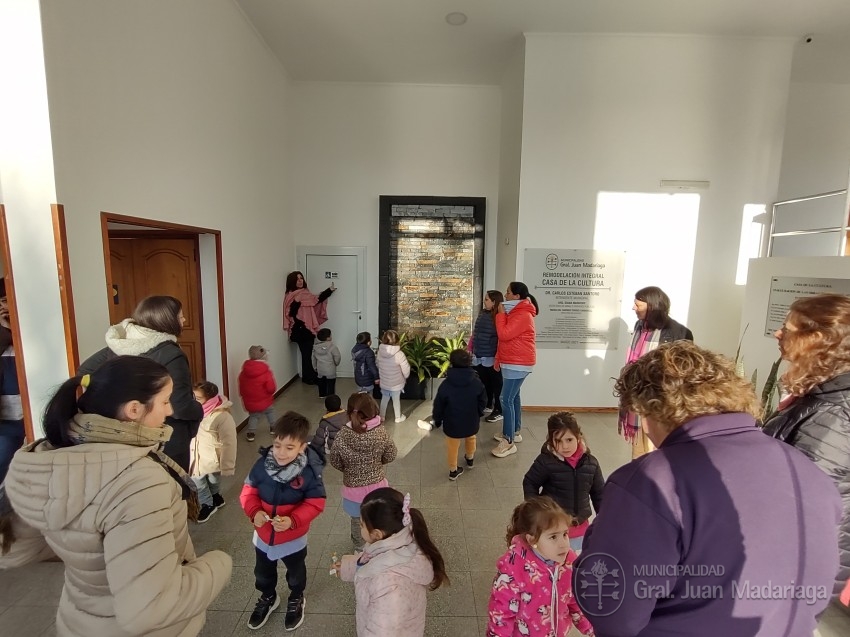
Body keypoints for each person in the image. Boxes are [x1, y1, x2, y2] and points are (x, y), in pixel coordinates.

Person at [578, 341, 840, 636]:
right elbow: (824, 582)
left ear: (651, 410)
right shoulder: (805, 469)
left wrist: (597, 538)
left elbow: (611, 608)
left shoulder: (652, 481)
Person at [3, 356, 232, 635]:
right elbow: (152, 607)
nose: (170, 410)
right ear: (134, 409)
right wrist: (219, 563)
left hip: (79, 621)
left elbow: (15, 549)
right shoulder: (138, 482)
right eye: (165, 401)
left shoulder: (50, 458)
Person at [763, 293, 850, 597]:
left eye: (787, 329)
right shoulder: (822, 395)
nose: (778, 333)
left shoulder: (833, 412)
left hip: (798, 569)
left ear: (816, 340)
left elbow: (809, 502)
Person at [78, 295, 202, 471]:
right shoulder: (170, 353)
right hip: (167, 437)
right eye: (180, 316)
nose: (184, 320)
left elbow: (85, 371)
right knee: (174, 483)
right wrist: (199, 410)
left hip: (128, 434)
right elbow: (180, 405)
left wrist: (117, 398)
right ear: (166, 320)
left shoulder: (122, 345)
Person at [240, 411, 326, 631]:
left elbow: (316, 503)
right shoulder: (261, 465)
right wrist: (254, 512)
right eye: (277, 445)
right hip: (263, 535)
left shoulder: (309, 473)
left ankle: (296, 597)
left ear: (302, 447)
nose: (281, 452)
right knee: (262, 572)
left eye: (289, 447)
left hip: (293, 537)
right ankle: (268, 596)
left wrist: (293, 520)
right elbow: (248, 491)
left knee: (295, 573)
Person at [335, 488, 449, 637]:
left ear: (376, 534)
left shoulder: (388, 586)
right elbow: (372, 559)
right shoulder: (403, 538)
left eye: (362, 525)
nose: (360, 527)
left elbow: (382, 632)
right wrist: (348, 567)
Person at [487, 496, 594, 637]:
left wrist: (594, 630)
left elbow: (575, 601)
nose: (563, 544)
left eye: (565, 534)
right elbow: (501, 617)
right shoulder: (513, 570)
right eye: (553, 537)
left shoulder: (569, 563)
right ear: (532, 540)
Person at [618, 285, 693, 458]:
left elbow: (684, 371)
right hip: (637, 397)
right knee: (639, 453)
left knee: (657, 451)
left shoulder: (679, 332)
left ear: (652, 306)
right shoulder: (640, 326)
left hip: (659, 400)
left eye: (638, 305)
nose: (633, 308)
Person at [522, 412, 603, 553]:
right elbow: (530, 482)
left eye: (569, 440)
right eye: (558, 441)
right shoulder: (545, 461)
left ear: (578, 437)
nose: (564, 446)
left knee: (576, 562)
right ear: (551, 440)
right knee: (554, 562)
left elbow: (599, 494)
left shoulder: (591, 463)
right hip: (553, 529)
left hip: (581, 530)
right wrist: (537, 512)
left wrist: (604, 520)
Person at [329, 393, 398, 551]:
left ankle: (359, 548)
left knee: (357, 521)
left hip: (353, 491)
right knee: (377, 519)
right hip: (377, 489)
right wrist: (377, 463)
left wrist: (348, 469)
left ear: (349, 412)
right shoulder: (381, 433)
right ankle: (378, 545)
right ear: (374, 410)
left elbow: (334, 460)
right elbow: (391, 454)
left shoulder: (342, 435)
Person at [492, 282, 538, 458]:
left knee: (505, 398)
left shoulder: (522, 314)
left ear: (517, 296)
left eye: (508, 292)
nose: (505, 295)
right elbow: (505, 340)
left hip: (517, 363)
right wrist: (498, 358)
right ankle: (514, 431)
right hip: (512, 361)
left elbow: (503, 334)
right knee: (514, 397)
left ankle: (508, 440)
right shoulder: (516, 312)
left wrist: (500, 315)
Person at [429, 349, 486, 480]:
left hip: (452, 422)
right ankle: (470, 458)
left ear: (451, 363)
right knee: (471, 438)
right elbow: (483, 400)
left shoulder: (446, 385)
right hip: (471, 420)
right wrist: (478, 412)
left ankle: (453, 470)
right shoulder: (476, 382)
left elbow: (439, 405)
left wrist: (437, 419)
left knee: (452, 445)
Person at [191, 381, 237, 524]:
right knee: (197, 479)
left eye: (198, 398)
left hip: (213, 458)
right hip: (197, 455)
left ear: (210, 398)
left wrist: (227, 466)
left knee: (213, 479)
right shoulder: (195, 411)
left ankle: (215, 496)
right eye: (193, 397)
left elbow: (229, 442)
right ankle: (208, 503)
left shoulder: (222, 416)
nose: (194, 401)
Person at [283, 271, 335, 385]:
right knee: (306, 354)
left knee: (307, 354)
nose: (300, 281)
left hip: (307, 328)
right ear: (292, 281)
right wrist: (297, 301)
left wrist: (329, 290)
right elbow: (290, 313)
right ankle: (309, 377)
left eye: (301, 278)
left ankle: (309, 376)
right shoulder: (291, 295)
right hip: (299, 329)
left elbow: (316, 300)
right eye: (297, 279)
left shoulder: (305, 293)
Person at [0, 281, 24, 484]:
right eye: (2, 301)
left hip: (26, 411)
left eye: (8, 300)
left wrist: (14, 328)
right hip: (5, 416)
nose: (6, 306)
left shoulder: (26, 325)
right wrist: (6, 330)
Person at [471, 290, 504, 424]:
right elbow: (476, 333)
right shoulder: (483, 314)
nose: (484, 301)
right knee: (485, 383)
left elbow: (501, 337)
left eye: (486, 299)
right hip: (480, 355)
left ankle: (499, 410)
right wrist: (471, 349)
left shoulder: (499, 317)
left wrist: (497, 356)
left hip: (492, 356)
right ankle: (488, 404)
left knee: (497, 384)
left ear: (494, 302)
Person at [238, 345, 277, 443]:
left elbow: (241, 386)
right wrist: (271, 392)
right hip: (265, 400)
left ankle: (251, 433)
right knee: (270, 412)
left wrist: (244, 396)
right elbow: (271, 388)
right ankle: (274, 427)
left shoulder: (244, 372)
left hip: (250, 400)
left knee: (254, 416)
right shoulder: (266, 372)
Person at [376, 330, 410, 423]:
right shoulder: (400, 354)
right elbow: (406, 368)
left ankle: (381, 417)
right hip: (397, 383)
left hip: (384, 381)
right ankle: (398, 417)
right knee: (396, 400)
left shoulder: (380, 353)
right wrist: (406, 376)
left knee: (384, 398)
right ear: (397, 340)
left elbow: (378, 365)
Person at [308, 394, 347, 461]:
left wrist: (312, 447)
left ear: (326, 407)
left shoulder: (325, 422)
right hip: (347, 446)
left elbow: (318, 441)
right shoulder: (348, 415)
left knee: (309, 439)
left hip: (333, 449)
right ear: (340, 405)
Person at [312, 328, 341, 398]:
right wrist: (336, 363)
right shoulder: (333, 347)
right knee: (331, 383)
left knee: (321, 382)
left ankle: (322, 394)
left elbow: (313, 358)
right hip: (330, 369)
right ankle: (330, 396)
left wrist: (315, 367)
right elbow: (337, 356)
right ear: (328, 338)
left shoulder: (315, 347)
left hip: (320, 369)